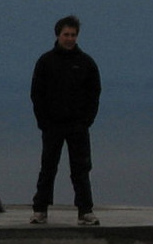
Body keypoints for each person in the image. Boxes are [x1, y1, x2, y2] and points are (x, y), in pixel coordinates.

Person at [29, 15, 102, 226]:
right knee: (48, 167)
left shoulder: (86, 63)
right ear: (58, 35)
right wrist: (43, 121)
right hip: (52, 125)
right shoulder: (45, 62)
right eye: (66, 34)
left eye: (73, 35)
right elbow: (36, 94)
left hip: (78, 126)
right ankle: (40, 210)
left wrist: (86, 120)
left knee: (81, 169)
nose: (69, 38)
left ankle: (85, 211)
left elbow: (94, 93)